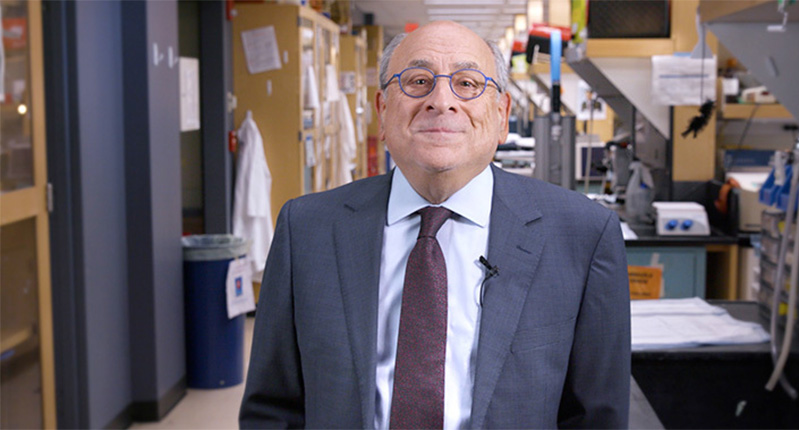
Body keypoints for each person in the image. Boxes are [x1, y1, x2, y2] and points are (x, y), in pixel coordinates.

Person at [239, 21, 630, 429]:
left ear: (502, 114)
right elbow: (273, 408)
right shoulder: (306, 230)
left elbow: (596, 416)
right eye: (418, 81)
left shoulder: (583, 235)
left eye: (467, 83)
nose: (441, 101)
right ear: (382, 111)